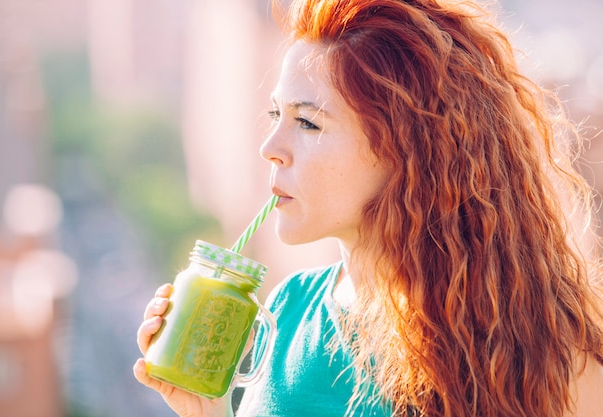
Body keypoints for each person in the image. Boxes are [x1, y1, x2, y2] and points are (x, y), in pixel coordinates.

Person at [134, 0, 603, 416]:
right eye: (276, 115)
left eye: (308, 123)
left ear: (406, 151)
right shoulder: (288, 308)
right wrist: (207, 412)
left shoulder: (549, 356)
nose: (270, 147)